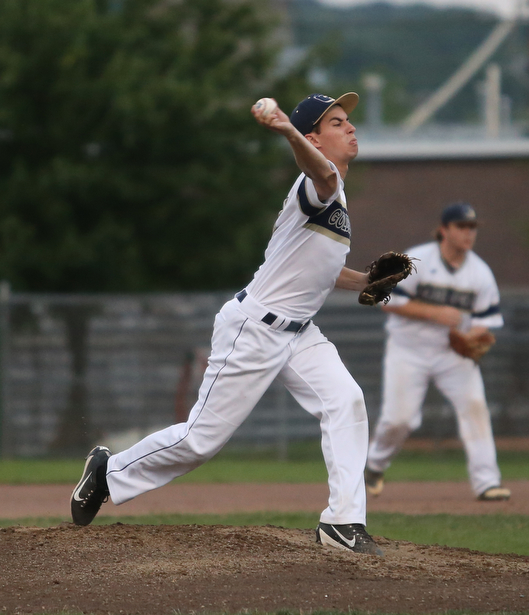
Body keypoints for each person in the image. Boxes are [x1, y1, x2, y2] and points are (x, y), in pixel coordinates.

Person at [71, 92, 384, 555]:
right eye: (336, 123)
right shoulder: (317, 183)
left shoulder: (333, 199)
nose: (350, 127)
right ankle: (108, 472)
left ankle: (343, 522)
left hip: (300, 334)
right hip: (254, 329)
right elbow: (318, 169)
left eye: (347, 121)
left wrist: (366, 281)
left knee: (346, 400)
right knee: (201, 442)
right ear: (313, 138)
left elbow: (317, 268)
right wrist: (284, 131)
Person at [365, 202, 510, 502]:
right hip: (408, 350)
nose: (468, 233)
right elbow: (387, 300)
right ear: (444, 230)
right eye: (461, 226)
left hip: (452, 353)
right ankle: (374, 466)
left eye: (472, 228)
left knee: (475, 407)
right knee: (399, 420)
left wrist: (472, 336)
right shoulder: (419, 259)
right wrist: (434, 313)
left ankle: (487, 482)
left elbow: (487, 321)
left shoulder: (480, 273)